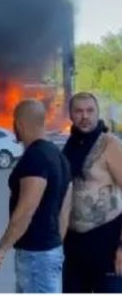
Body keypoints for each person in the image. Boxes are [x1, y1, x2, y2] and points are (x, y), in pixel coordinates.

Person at [0, 100, 72, 293]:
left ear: (20, 124)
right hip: (51, 251)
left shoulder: (35, 157)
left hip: (36, 256)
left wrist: (0, 250)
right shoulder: (59, 157)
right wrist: (56, 244)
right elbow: (66, 208)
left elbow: (26, 210)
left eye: (14, 122)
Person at [62, 92, 122, 292]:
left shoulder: (109, 144)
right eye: (78, 111)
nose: (84, 116)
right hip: (74, 246)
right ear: (70, 114)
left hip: (108, 241)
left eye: (90, 110)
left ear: (98, 113)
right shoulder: (69, 147)